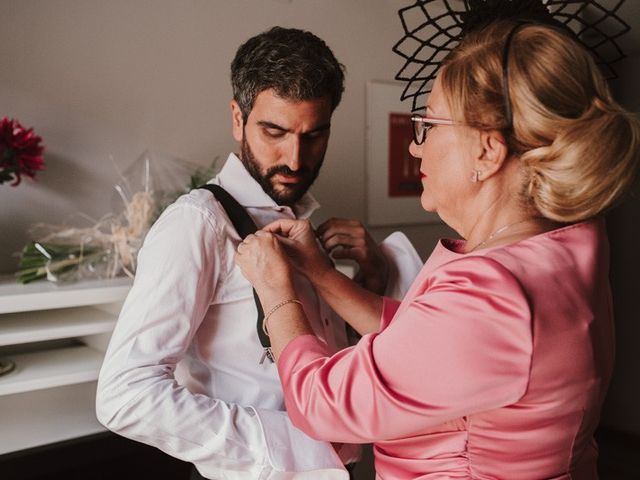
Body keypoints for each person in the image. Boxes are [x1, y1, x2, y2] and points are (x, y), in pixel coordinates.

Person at [235, 18, 640, 479]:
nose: (414, 146)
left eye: (427, 124)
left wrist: (277, 292)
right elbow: (420, 341)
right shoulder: (570, 244)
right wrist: (323, 276)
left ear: (487, 152)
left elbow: (322, 404)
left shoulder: (492, 296)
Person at [96, 26, 420, 479]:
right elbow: (124, 394)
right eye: (274, 131)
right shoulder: (197, 224)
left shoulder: (307, 226)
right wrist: (298, 447)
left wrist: (371, 277)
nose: (294, 158)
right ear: (237, 117)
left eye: (315, 135)